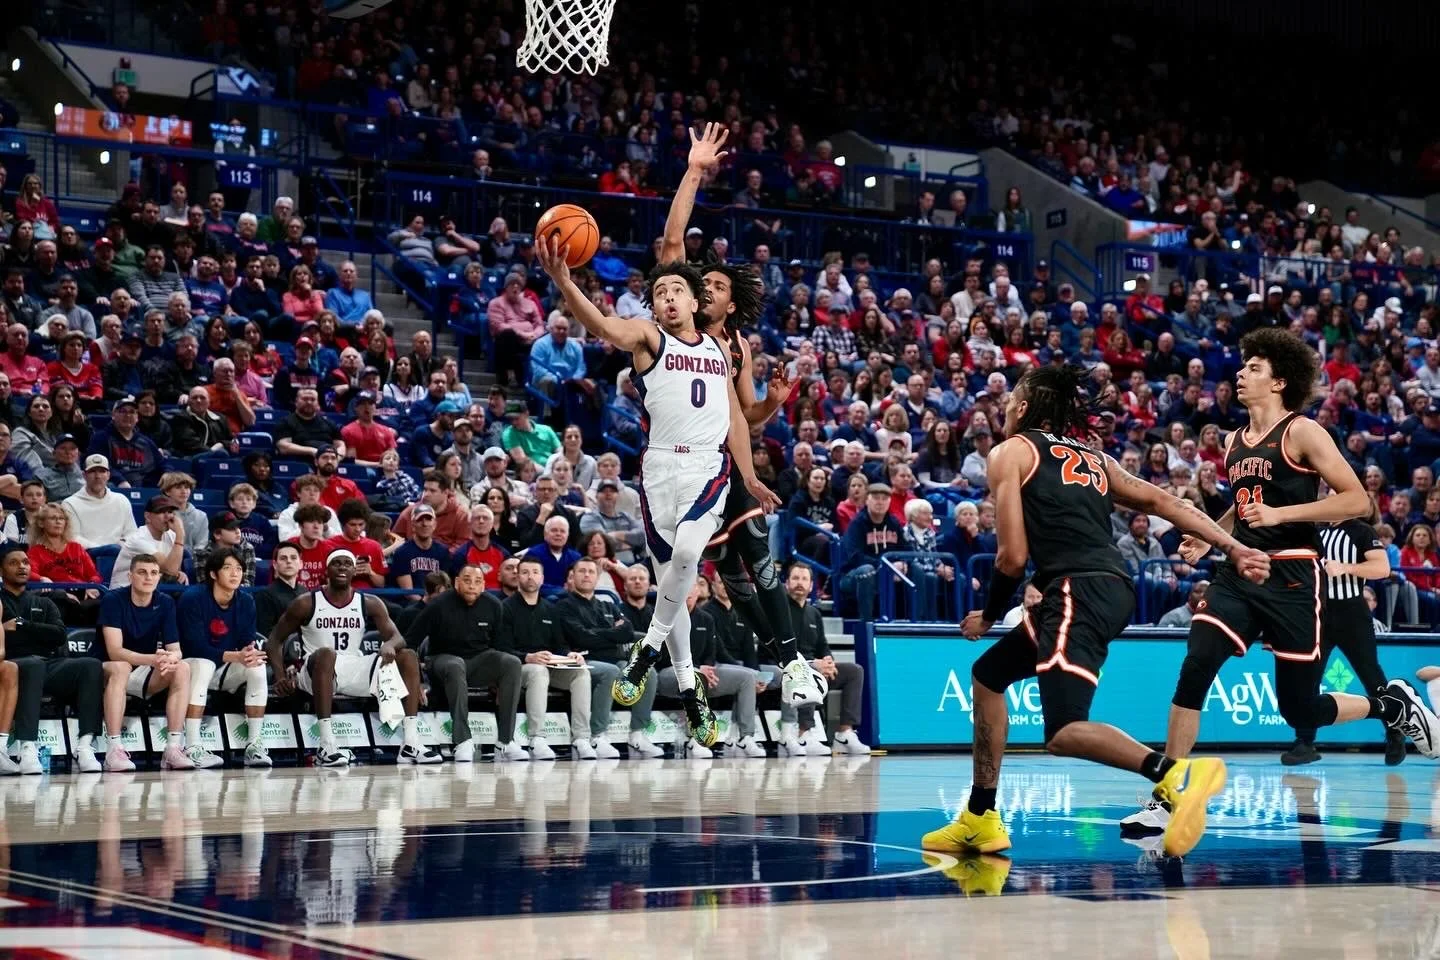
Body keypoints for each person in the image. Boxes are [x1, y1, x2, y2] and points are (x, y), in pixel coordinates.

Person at [920, 364, 1273, 862]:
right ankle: (980, 816)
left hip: (1075, 589)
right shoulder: (1094, 458)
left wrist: (987, 613)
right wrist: (1232, 547)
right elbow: (1163, 500)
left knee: (1064, 732)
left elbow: (1011, 557)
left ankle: (1176, 775)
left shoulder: (1010, 452)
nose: (1002, 411)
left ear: (1021, 408)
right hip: (1107, 586)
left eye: (1008, 402)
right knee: (989, 676)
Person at [1122, 329, 1440, 838]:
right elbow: (1242, 505)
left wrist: (1281, 513)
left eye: (1253, 368)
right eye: (1243, 366)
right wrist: (1213, 538)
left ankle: (1389, 704)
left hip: (1294, 577)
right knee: (1197, 661)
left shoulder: (1303, 432)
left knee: (1299, 707)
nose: (1241, 374)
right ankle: (1167, 796)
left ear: (1278, 382)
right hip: (1241, 569)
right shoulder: (1230, 442)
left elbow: (1358, 501)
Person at [538, 158, 780, 752]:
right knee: (679, 572)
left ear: (697, 301)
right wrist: (566, 283)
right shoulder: (650, 337)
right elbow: (599, 323)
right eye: (660, 292)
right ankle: (689, 686)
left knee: (692, 554)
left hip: (707, 464)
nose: (668, 296)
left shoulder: (725, 346)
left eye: (677, 289)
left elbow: (741, 420)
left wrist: (752, 455)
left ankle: (646, 647)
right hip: (659, 469)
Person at [267, 549, 441, 766]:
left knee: (407, 656)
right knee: (327, 653)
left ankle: (411, 744)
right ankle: (326, 745)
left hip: (353, 666)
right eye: (336, 563)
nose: (342, 567)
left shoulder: (369, 602)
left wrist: (389, 644)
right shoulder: (306, 602)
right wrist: (280, 676)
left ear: (353, 570)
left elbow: (398, 637)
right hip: (315, 671)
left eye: (347, 563)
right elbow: (274, 640)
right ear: (326, 570)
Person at [1282, 506, 1406, 766]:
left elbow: (1382, 568)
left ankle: (1395, 733)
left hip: (1352, 612)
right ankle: (1304, 741)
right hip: (1320, 612)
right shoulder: (1318, 531)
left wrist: (1346, 568)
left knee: (1371, 675)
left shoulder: (1361, 530)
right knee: (1309, 676)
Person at [405, 563, 527, 763]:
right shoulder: (438, 605)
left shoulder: (494, 606)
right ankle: (462, 740)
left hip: (478, 661)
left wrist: (499, 681)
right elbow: (410, 642)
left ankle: (505, 742)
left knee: (511, 663)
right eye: (467, 580)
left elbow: (499, 646)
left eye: (477, 581)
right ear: (457, 583)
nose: (472, 585)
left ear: (484, 586)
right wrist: (416, 679)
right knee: (455, 665)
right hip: (441, 661)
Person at [3, 544, 104, 774]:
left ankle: (85, 745)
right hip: (12, 666)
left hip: (47, 664)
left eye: (26, 562)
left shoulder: (45, 602)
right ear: (1, 570)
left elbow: (58, 635)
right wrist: (40, 632)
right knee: (32, 665)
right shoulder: (0, 601)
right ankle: (27, 747)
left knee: (90, 665)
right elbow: (11, 640)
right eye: (14, 563)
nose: (22, 567)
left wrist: (21, 625)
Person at [554, 558, 663, 759]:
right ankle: (597, 735)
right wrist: (611, 634)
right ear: (573, 576)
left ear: (597, 578)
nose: (586, 575)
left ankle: (637, 733)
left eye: (591, 572)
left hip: (611, 658)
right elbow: (580, 637)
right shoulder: (564, 606)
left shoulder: (608, 605)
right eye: (582, 571)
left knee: (646, 670)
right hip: (583, 662)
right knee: (610, 672)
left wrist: (596, 635)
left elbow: (627, 631)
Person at [97, 553, 195, 771]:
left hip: (143, 671)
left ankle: (172, 749)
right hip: (107, 670)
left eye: (153, 573)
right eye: (142, 572)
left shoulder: (165, 602)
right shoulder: (113, 599)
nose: (148, 577)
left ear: (159, 577)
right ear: (130, 576)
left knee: (182, 668)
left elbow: (176, 649)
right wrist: (152, 659)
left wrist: (171, 659)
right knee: (121, 667)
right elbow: (114, 652)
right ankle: (113, 750)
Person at [177, 547, 271, 768]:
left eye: (239, 568)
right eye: (227, 568)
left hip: (224, 668)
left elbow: (246, 641)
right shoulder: (192, 598)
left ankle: (254, 745)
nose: (235, 573)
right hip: (189, 669)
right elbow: (194, 646)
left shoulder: (246, 601)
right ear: (213, 574)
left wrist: (248, 654)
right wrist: (236, 656)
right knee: (204, 664)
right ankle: (192, 746)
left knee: (256, 666)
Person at [503, 556, 599, 760]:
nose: (531, 577)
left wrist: (569, 655)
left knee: (580, 673)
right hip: (519, 667)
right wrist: (527, 657)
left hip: (548, 665)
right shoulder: (506, 608)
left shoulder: (550, 608)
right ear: (517, 576)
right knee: (538, 671)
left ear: (542, 578)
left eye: (535, 572)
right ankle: (536, 738)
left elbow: (559, 645)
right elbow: (501, 648)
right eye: (525, 572)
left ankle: (582, 737)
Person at [780, 564, 871, 755]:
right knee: (807, 671)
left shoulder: (814, 613)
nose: (800, 583)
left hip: (814, 667)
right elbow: (779, 649)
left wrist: (828, 662)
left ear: (812, 586)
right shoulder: (779, 611)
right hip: (786, 667)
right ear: (787, 583)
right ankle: (804, 733)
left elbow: (823, 647)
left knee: (855, 671)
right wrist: (814, 665)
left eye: (805, 579)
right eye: (795, 578)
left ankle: (844, 734)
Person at [111, 495, 188, 589]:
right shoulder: (138, 539)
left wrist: (179, 573)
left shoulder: (171, 535)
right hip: (124, 591)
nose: (167, 516)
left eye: (170, 512)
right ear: (147, 516)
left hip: (151, 588)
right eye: (161, 512)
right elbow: (170, 570)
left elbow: (174, 569)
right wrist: (180, 534)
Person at [61, 454, 136, 548]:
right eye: (92, 471)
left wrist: (122, 546)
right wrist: (104, 549)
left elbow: (132, 533)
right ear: (84, 475)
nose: (98, 476)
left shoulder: (121, 500)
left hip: (120, 554)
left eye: (102, 471)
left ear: (108, 475)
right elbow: (73, 537)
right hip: (87, 556)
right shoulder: (70, 504)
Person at [256, 541, 303, 637]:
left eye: (293, 558)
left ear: (301, 564)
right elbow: (264, 634)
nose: (289, 561)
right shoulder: (265, 595)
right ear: (275, 564)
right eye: (283, 558)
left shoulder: (306, 593)